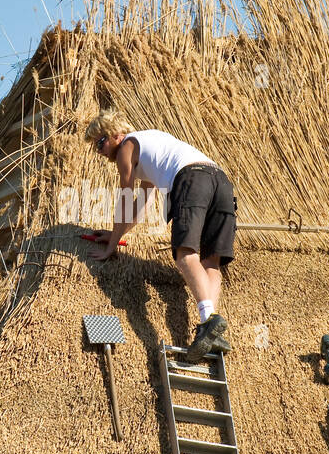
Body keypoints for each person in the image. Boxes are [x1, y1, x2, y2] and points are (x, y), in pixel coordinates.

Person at [85, 109, 237, 362]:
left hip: (192, 180)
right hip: (221, 182)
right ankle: (210, 327)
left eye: (100, 143)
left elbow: (125, 199)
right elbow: (141, 204)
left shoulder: (127, 147)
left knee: (185, 254)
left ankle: (209, 320)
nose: (99, 152)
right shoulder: (150, 147)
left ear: (115, 135)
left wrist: (111, 247)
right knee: (211, 260)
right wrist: (116, 233)